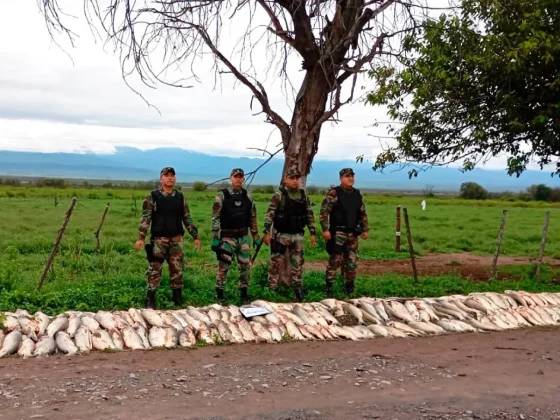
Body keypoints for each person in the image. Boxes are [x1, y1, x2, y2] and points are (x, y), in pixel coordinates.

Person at [135, 167, 202, 309]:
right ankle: (150, 299)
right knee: (155, 268)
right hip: (159, 240)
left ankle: (177, 299)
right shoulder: (152, 196)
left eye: (172, 175)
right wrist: (141, 237)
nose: (170, 178)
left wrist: (195, 236)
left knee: (177, 269)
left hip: (176, 239)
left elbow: (187, 217)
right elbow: (146, 218)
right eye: (166, 175)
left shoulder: (180, 197)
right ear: (161, 179)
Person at [263, 169, 316, 302]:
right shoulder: (278, 195)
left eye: (297, 178)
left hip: (297, 235)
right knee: (275, 263)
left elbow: (309, 214)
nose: (295, 181)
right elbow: (270, 214)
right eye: (292, 178)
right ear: (285, 179)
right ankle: (271, 289)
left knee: (297, 264)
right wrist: (266, 232)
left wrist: (313, 232)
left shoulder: (303, 195)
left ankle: (298, 290)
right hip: (281, 235)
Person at [211, 168, 261, 305]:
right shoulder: (222, 195)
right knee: (224, 266)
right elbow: (215, 217)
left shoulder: (248, 196)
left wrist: (256, 235)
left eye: (240, 177)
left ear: (243, 179)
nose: (238, 179)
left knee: (245, 267)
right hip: (227, 237)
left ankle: (243, 294)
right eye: (235, 176)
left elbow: (253, 217)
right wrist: (215, 237)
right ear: (230, 178)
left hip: (243, 237)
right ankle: (219, 294)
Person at [320, 167, 369, 298]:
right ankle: (329, 288)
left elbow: (362, 213)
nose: (350, 178)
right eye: (347, 176)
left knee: (352, 261)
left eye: (352, 176)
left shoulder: (357, 194)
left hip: (353, 233)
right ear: (341, 178)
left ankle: (349, 288)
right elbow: (324, 211)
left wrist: (365, 229)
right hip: (338, 233)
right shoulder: (334, 193)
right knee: (335, 260)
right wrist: (325, 229)